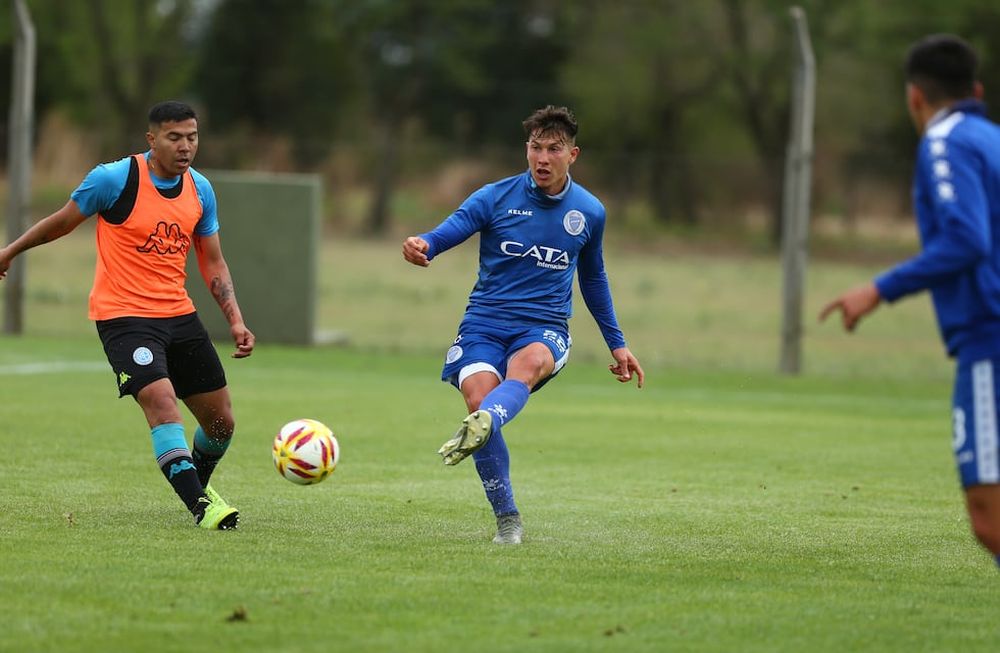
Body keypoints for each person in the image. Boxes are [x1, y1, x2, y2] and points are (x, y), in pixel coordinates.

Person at [0, 100, 254, 530]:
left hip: (179, 315)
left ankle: (195, 483)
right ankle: (201, 507)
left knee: (221, 424)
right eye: (174, 137)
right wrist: (9, 251)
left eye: (192, 137)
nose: (185, 146)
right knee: (161, 401)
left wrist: (235, 319)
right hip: (124, 317)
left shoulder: (200, 190)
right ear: (152, 139)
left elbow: (212, 261)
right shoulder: (114, 179)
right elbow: (61, 222)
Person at [402, 105, 644, 545]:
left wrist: (618, 343)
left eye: (554, 149)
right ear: (526, 150)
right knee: (478, 394)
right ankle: (508, 520)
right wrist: (426, 244)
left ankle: (485, 421)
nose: (543, 158)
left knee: (527, 367)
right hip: (484, 322)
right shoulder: (495, 197)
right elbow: (453, 228)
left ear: (573, 154)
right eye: (535, 147)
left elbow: (593, 278)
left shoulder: (589, 212)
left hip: (544, 326)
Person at [820, 34, 1000, 566]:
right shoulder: (992, 139)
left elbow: (968, 240)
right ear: (978, 90)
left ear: (914, 98)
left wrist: (879, 288)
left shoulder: (945, 142)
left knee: (989, 517)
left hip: (990, 338)